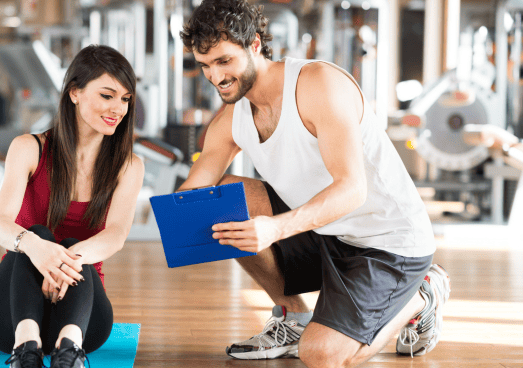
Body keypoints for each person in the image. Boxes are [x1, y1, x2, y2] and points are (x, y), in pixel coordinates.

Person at [178, 1, 450, 367]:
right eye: (205, 65)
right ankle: (292, 317)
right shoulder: (231, 119)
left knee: (321, 355)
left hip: (389, 244)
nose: (215, 76)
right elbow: (190, 200)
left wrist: (274, 228)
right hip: (327, 233)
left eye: (224, 61)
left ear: (254, 45)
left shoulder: (318, 85)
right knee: (223, 196)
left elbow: (353, 189)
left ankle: (424, 295)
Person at [0, 45, 144, 368]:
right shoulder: (28, 148)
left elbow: (116, 235)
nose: (118, 108)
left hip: (85, 318)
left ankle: (70, 352)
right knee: (37, 234)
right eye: (107, 96)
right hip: (9, 316)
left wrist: (63, 262)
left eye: (125, 99)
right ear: (75, 93)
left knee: (70, 246)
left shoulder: (129, 166)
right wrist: (37, 249)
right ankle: (26, 349)